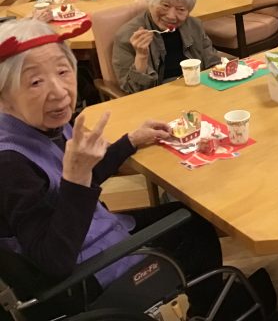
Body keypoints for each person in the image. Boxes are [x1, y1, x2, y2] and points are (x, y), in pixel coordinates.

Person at [0, 19, 223, 317]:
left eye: (63, 71)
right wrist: (76, 177)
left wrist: (130, 141)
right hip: (84, 280)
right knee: (196, 230)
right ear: (3, 94)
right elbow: (54, 261)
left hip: (89, 232)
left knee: (190, 219)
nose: (59, 92)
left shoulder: (38, 122)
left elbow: (82, 176)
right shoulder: (10, 163)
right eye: (35, 82)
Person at [112, 0, 222, 94]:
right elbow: (132, 90)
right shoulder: (127, 35)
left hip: (197, 91)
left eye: (181, 9)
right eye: (165, 6)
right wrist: (141, 56)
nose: (171, 16)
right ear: (150, 2)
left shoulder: (194, 26)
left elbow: (214, 64)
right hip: (157, 97)